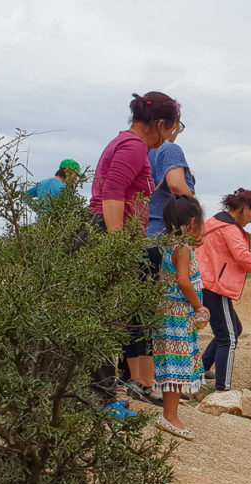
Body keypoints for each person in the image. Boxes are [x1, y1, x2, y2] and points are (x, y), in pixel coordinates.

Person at [88, 91, 180, 419]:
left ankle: (102, 395)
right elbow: (112, 195)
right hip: (108, 233)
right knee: (103, 319)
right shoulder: (133, 147)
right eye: (173, 129)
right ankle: (101, 400)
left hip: (107, 232)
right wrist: (118, 248)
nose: (171, 136)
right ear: (159, 124)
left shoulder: (124, 143)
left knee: (101, 317)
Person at [196, 189, 251, 391]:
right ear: (245, 209)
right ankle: (223, 388)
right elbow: (242, 256)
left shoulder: (214, 223)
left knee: (234, 329)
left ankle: (201, 369)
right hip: (214, 287)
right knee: (227, 337)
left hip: (207, 283)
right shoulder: (229, 229)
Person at [153, 195, 208, 441]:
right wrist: (199, 307)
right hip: (177, 315)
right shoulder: (182, 249)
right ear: (193, 223)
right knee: (176, 365)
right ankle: (169, 415)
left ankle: (170, 409)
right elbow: (183, 280)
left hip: (170, 314)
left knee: (173, 364)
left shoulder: (171, 244)